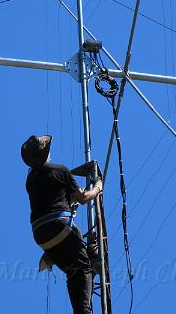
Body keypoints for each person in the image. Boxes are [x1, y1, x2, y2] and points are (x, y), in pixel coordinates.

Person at [21, 134, 102, 314]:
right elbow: (82, 199)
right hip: (58, 227)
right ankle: (85, 310)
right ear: (47, 152)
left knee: (74, 273)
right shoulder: (60, 170)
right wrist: (97, 187)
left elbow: (53, 198)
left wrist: (70, 197)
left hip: (41, 235)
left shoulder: (31, 180)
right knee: (82, 269)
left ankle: (81, 307)